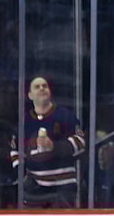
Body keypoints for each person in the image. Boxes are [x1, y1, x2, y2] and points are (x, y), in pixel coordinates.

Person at [10, 76, 86, 208]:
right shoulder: (24, 122)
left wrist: (54, 147)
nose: (42, 88)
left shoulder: (65, 116)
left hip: (63, 187)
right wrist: (22, 175)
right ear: (30, 95)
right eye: (37, 86)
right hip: (35, 189)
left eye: (45, 86)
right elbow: (15, 150)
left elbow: (81, 142)